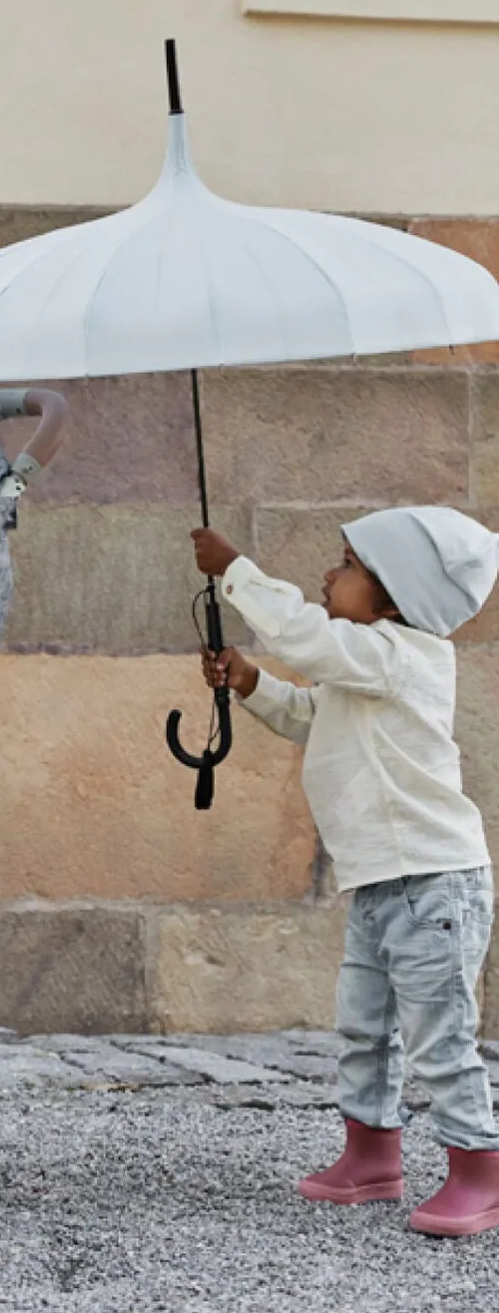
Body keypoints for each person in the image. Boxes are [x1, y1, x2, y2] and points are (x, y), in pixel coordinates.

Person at [192, 507, 499, 1237]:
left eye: (350, 566)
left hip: (433, 884)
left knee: (439, 1037)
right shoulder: (367, 661)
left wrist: (236, 572)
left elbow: (305, 635)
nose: (330, 574)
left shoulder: (400, 654)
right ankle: (372, 1155)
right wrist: (251, 682)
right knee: (364, 1027)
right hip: (379, 882)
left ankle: (481, 1174)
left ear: (395, 600)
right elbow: (311, 714)